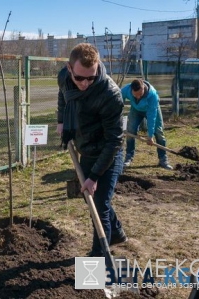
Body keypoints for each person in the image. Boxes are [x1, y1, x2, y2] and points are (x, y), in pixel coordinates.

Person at [57, 43, 127, 257]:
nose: (85, 83)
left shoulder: (110, 94)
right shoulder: (64, 77)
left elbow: (114, 140)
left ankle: (98, 265)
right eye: (80, 78)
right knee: (94, 201)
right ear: (70, 69)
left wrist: (94, 176)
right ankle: (117, 233)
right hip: (86, 149)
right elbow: (63, 96)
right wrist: (61, 120)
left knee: (99, 208)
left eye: (91, 77)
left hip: (109, 152)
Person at [121, 79, 173, 170]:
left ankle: (163, 159)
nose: (138, 97)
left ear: (143, 88)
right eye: (135, 95)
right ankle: (128, 157)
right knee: (130, 130)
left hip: (151, 109)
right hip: (136, 110)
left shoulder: (152, 95)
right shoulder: (126, 90)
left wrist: (150, 135)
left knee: (159, 132)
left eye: (140, 95)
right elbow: (118, 101)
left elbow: (151, 116)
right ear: (131, 90)